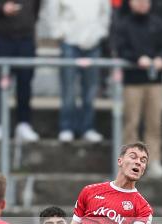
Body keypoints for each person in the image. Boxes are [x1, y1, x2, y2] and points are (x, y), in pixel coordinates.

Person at [114, 0, 162, 178]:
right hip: (133, 81)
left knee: (154, 123)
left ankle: (153, 161)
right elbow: (120, 48)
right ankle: (130, 163)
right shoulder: (124, 24)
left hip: (155, 82)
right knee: (131, 122)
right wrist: (137, 58)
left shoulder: (158, 23)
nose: (142, 3)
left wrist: (161, 58)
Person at [47, 0, 110, 143]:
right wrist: (58, 33)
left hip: (93, 44)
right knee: (68, 88)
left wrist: (101, 32)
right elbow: (52, 10)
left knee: (90, 89)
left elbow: (105, 12)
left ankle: (87, 128)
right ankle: (66, 127)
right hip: (70, 43)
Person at [0, 0, 42, 142]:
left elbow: (36, 7)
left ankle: (24, 123)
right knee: (0, 84)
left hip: (26, 38)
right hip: (2, 38)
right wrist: (1, 7)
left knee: (25, 82)